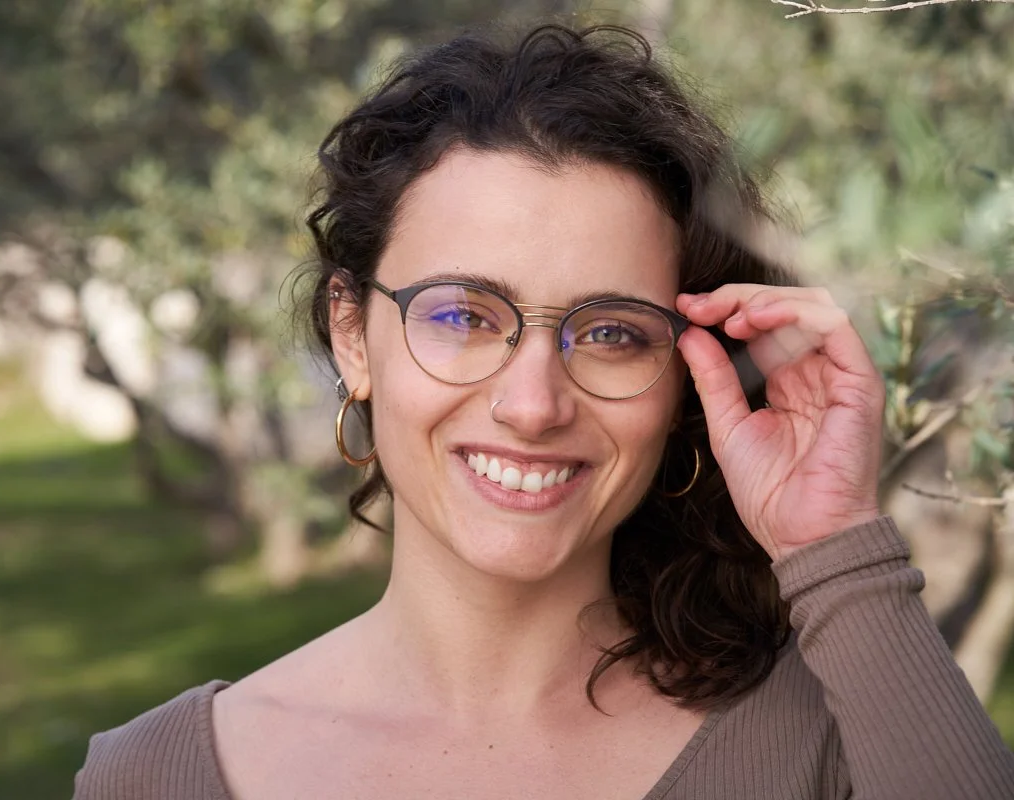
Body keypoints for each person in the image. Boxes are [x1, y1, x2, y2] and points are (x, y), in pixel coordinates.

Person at [73, 22, 1014, 800]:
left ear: (689, 371)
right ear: (354, 338)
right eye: (461, 315)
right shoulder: (154, 776)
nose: (532, 405)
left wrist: (834, 539)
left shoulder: (828, 747)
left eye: (611, 333)